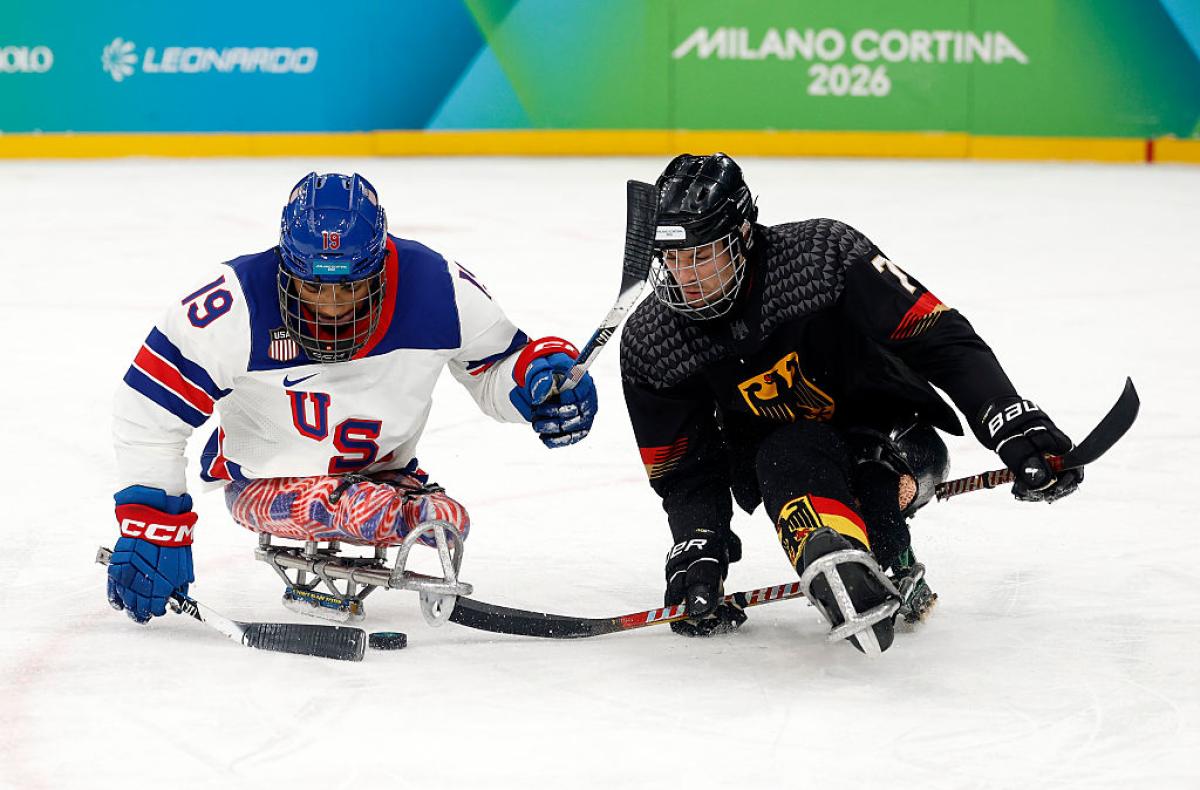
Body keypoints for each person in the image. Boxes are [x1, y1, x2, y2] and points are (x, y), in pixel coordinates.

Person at [620, 153, 1081, 654]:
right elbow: (684, 468)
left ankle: (890, 556)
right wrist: (699, 543)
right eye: (672, 258)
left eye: (702, 256)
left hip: (895, 435)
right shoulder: (653, 340)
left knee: (875, 473)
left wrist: (1006, 418)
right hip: (785, 459)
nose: (685, 277)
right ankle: (832, 554)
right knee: (784, 457)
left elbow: (937, 337)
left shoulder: (821, 257)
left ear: (745, 236)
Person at [107, 172, 597, 624]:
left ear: (381, 265)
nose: (333, 305)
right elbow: (147, 409)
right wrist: (152, 524)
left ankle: (376, 499)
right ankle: (367, 503)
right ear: (285, 266)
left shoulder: (438, 287)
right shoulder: (234, 303)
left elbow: (494, 371)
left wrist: (537, 382)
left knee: (447, 520)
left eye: (352, 287)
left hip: (385, 476)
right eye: (314, 287)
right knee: (382, 514)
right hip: (267, 483)